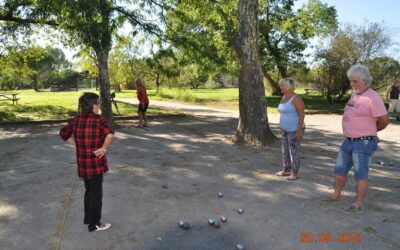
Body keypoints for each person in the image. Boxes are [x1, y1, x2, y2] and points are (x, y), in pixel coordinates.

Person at [319, 64, 389, 214]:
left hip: (363, 143)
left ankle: (358, 204)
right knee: (339, 170)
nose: (352, 84)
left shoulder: (373, 97)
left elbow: (384, 120)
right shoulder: (355, 94)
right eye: (350, 81)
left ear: (365, 81)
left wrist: (371, 132)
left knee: (360, 173)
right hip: (348, 141)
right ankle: (335, 196)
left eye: (355, 81)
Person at [60, 92, 114, 232]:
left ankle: (88, 219)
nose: (100, 105)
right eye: (98, 103)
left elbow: (63, 134)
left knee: (89, 191)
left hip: (83, 165)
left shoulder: (75, 119)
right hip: (95, 165)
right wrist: (104, 148)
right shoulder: (99, 119)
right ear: (93, 106)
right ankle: (95, 224)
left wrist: (76, 144)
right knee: (96, 194)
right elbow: (109, 133)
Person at [276, 78, 305, 181]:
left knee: (294, 151)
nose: (280, 87)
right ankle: (286, 170)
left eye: (282, 85)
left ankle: (295, 172)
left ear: (288, 87)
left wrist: (298, 131)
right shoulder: (284, 97)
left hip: (294, 129)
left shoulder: (296, 98)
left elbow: (302, 115)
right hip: (284, 129)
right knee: (285, 150)